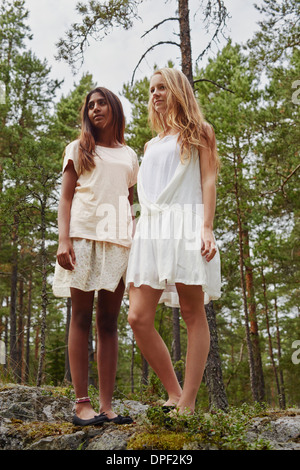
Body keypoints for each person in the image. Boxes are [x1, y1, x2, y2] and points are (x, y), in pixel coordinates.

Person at [126, 68, 221, 416]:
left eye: (162, 87)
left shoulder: (200, 133)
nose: (155, 94)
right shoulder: (150, 145)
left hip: (186, 225)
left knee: (193, 311)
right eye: (151, 89)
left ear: (178, 90)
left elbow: (208, 181)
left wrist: (206, 227)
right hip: (150, 232)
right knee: (137, 317)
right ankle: (173, 392)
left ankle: (189, 402)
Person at [53, 87, 139, 426]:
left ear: (114, 108)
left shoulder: (130, 156)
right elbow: (65, 199)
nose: (95, 109)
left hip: (118, 243)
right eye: (90, 105)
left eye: (102, 103)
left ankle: (106, 405)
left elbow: (129, 202)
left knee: (108, 322)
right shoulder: (78, 149)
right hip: (83, 237)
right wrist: (63, 241)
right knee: (81, 317)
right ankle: (82, 404)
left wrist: (135, 239)